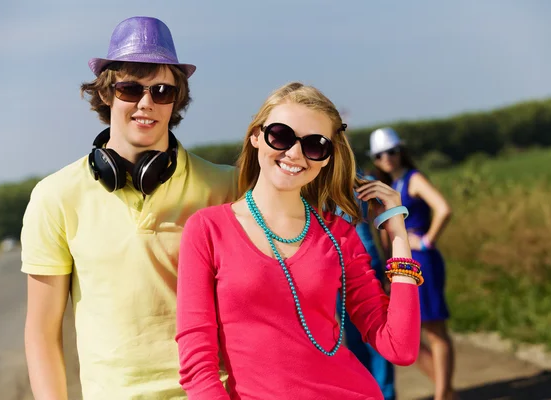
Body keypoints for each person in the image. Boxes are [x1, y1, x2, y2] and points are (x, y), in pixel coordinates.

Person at [21, 16, 237, 399]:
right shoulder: (54, 197)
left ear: (178, 99)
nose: (146, 103)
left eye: (161, 91)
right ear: (106, 93)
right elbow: (41, 331)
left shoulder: (227, 186)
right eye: (130, 88)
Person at [176, 82, 423, 399]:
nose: (294, 153)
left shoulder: (339, 235)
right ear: (256, 136)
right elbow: (198, 367)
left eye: (314, 145)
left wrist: (398, 235)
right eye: (281, 135)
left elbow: (399, 347)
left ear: (326, 158)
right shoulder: (208, 229)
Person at [368, 127, 457, 400]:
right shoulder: (388, 186)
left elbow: (443, 208)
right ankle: (448, 392)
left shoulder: (413, 179)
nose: (387, 158)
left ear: (401, 151)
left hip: (421, 261)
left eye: (392, 151)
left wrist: (428, 240)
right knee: (406, 336)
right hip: (399, 266)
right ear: (374, 158)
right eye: (381, 154)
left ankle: (442, 395)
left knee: (434, 329)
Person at [337, 166, 396, 400]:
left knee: (366, 337)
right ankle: (377, 393)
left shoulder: (314, 181)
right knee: (367, 336)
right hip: (352, 263)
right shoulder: (363, 180)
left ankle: (379, 394)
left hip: (352, 265)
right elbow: (384, 224)